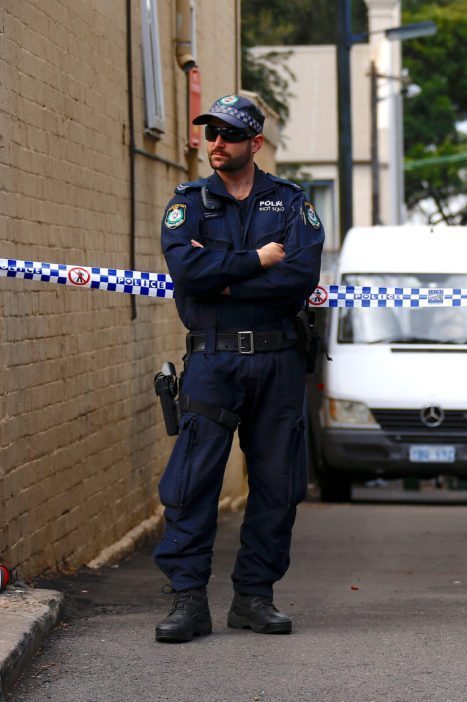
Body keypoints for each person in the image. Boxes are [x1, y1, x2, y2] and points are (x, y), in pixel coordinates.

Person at [153, 95, 324, 643]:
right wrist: (255, 261)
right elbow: (186, 267)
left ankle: (254, 597)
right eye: (211, 133)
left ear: (255, 143)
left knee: (277, 482)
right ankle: (187, 600)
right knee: (192, 481)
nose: (216, 143)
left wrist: (222, 277)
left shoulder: (291, 202)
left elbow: (299, 276)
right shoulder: (189, 203)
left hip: (277, 358)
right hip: (213, 358)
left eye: (229, 134)